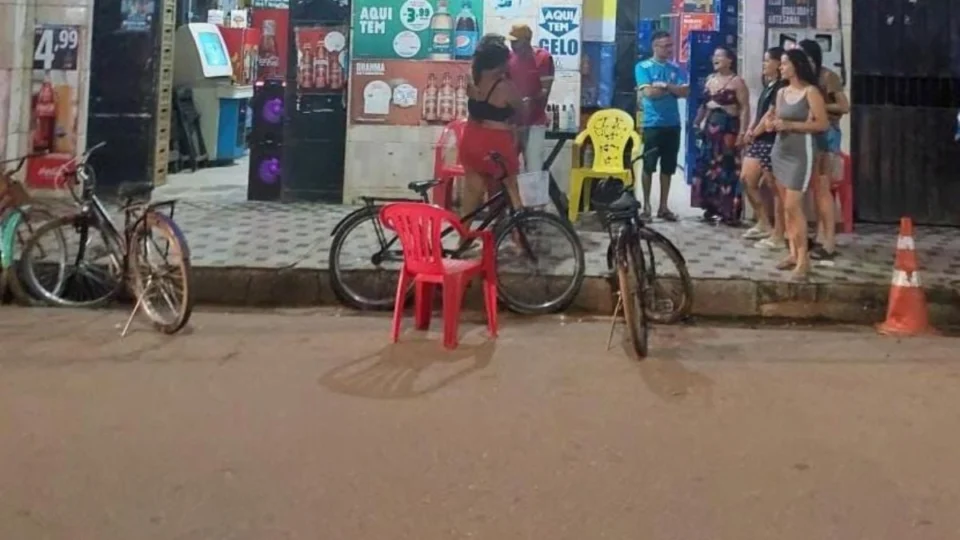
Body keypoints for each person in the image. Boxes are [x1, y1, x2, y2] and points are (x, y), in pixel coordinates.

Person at [767, 48, 829, 280]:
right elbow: (773, 117)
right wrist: (772, 124)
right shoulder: (781, 92)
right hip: (780, 150)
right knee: (786, 207)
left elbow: (821, 124)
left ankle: (804, 259)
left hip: (801, 153)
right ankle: (793, 252)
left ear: (796, 66)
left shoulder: (811, 92)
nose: (780, 68)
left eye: (784, 64)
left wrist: (792, 126)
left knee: (794, 205)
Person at [459, 34, 525, 217]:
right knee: (511, 189)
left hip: (471, 139)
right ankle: (519, 239)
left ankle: (463, 239)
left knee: (472, 194)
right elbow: (522, 110)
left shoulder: (472, 80)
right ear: (501, 63)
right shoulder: (505, 86)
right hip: (497, 143)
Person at [798, 39, 849, 261]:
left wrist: (818, 105)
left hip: (827, 135)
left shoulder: (827, 77)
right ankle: (819, 236)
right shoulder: (804, 80)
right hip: (810, 137)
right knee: (816, 189)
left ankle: (829, 241)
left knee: (824, 188)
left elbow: (844, 106)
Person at [691, 46, 750, 225]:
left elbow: (745, 108)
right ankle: (710, 207)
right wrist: (696, 122)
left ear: (730, 60)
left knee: (727, 168)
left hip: (728, 129)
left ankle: (729, 211)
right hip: (710, 129)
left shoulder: (737, 82)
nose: (715, 59)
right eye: (714, 56)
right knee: (709, 167)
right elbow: (703, 104)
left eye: (719, 56)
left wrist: (743, 132)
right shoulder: (710, 80)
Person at [635, 31, 689, 222]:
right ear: (654, 46)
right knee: (648, 166)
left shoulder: (675, 68)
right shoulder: (643, 67)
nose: (668, 49)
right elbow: (649, 93)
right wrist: (671, 89)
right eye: (664, 46)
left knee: (668, 167)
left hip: (672, 124)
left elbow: (685, 92)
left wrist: (665, 86)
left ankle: (663, 207)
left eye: (670, 45)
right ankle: (646, 206)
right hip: (652, 124)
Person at [741, 46, 787, 248]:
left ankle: (779, 231)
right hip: (759, 139)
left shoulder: (781, 87)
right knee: (747, 179)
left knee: (773, 185)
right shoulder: (769, 85)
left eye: (768, 60)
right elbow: (760, 112)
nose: (764, 64)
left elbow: (771, 114)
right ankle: (763, 222)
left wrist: (755, 132)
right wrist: (751, 129)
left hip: (770, 139)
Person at [507, 23, 554, 173]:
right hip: (512, 122)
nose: (512, 44)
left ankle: (534, 197)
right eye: (511, 41)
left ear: (526, 41)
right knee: (508, 167)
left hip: (535, 121)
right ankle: (511, 197)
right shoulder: (508, 58)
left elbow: (545, 90)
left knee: (534, 168)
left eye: (516, 41)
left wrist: (529, 101)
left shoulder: (543, 58)